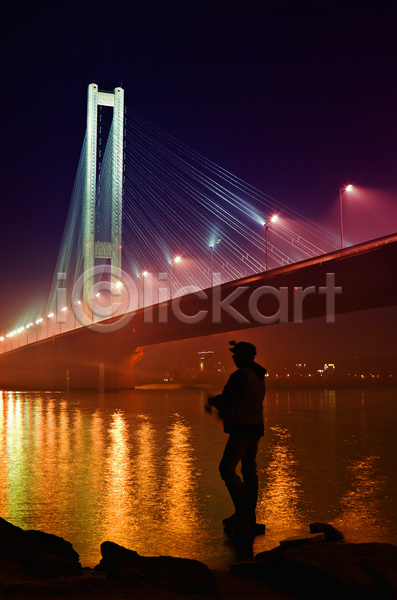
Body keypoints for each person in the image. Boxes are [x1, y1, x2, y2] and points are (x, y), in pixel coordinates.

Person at [207, 340, 266, 535]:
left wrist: (214, 401)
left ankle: (242, 511)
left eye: (236, 353)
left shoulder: (240, 376)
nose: (233, 356)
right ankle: (250, 515)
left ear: (246, 355)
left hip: (242, 428)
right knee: (249, 470)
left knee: (226, 468)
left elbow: (229, 400)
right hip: (256, 427)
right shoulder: (258, 376)